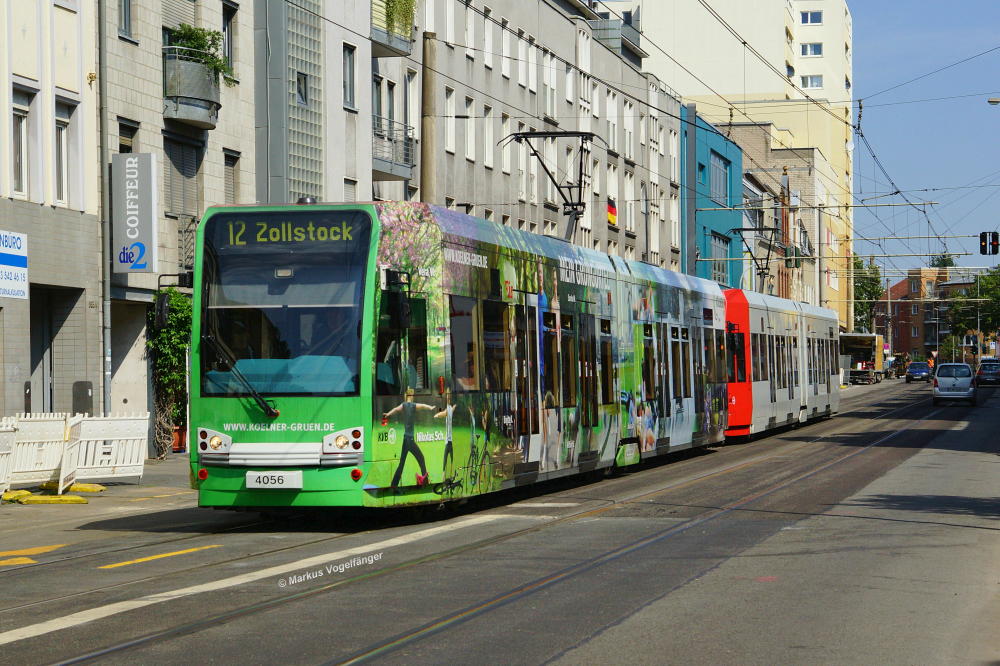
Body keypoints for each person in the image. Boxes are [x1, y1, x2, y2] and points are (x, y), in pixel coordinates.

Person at [384, 388, 435, 488]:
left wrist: (387, 414)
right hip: (410, 440)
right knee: (421, 458)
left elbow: (394, 410)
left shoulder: (403, 405)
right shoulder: (413, 405)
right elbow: (423, 406)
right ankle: (425, 482)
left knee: (401, 464)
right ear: (411, 396)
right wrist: (431, 407)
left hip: (405, 439)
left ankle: (394, 484)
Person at [434, 389, 456, 482]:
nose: (448, 397)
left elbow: (444, 413)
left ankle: (449, 476)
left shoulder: (449, 408)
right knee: (446, 458)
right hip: (448, 440)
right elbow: (445, 412)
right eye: (447, 396)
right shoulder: (449, 407)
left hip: (450, 440)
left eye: (449, 396)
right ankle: (444, 475)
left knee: (449, 458)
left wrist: (437, 415)